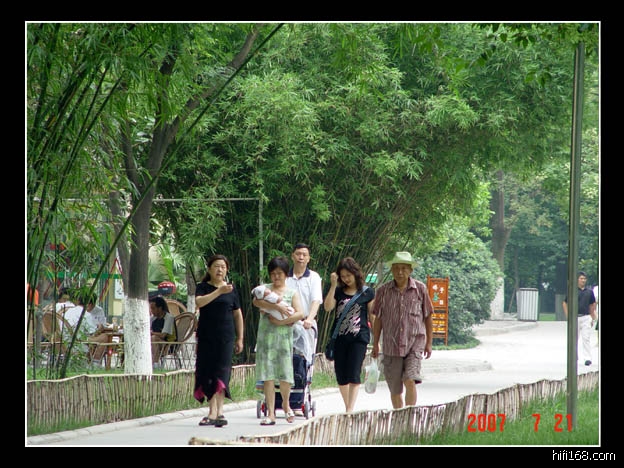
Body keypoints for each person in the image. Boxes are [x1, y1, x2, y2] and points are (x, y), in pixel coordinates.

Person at [371, 251, 433, 409]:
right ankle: (400, 416)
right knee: (395, 388)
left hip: (414, 343)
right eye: (396, 268)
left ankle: (409, 415)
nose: (400, 272)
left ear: (410, 270)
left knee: (410, 379)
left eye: (404, 268)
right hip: (391, 345)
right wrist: (375, 343)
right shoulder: (383, 291)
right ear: (391, 270)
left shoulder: (420, 289)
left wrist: (429, 343)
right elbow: (378, 319)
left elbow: (428, 316)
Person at [194, 254, 244, 428]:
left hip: (226, 338)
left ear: (227, 270)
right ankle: (212, 411)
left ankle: (220, 412)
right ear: (209, 269)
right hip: (207, 337)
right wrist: (218, 292)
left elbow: (238, 315)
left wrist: (240, 338)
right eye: (216, 266)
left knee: (222, 373)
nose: (220, 270)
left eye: (223, 267)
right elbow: (200, 303)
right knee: (208, 372)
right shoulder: (203, 287)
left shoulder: (231, 289)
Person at [254, 256, 305, 425]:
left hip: (283, 338)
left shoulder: (291, 293)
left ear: (286, 274)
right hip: (266, 338)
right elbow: (255, 301)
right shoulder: (265, 289)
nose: (276, 277)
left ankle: (285, 403)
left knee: (285, 374)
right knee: (268, 375)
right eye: (273, 273)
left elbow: (300, 313)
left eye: (280, 273)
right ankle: (271, 413)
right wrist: (276, 306)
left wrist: (282, 321)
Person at [323, 257, 375, 413]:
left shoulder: (367, 292)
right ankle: (348, 406)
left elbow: (372, 316)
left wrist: (377, 339)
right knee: (341, 375)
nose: (346, 279)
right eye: (343, 276)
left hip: (359, 338)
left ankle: (349, 409)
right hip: (339, 338)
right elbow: (327, 307)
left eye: (348, 275)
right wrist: (333, 285)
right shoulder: (338, 292)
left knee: (354, 373)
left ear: (355, 273)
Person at [286, 242, 323, 360]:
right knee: (285, 359)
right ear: (292, 256)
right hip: (287, 324)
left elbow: (316, 300)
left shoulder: (314, 277)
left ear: (308, 258)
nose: (301, 257)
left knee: (305, 360)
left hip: (306, 324)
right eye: (298, 254)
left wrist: (310, 319)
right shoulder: (284, 277)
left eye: (304, 255)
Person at [562, 271, 597, 366]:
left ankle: (587, 358)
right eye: (581, 278)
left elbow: (592, 304)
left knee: (586, 338)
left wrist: (592, 317)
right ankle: (574, 357)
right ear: (577, 279)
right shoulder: (572, 291)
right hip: (575, 317)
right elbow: (565, 303)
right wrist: (568, 316)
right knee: (574, 338)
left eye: (584, 279)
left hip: (586, 317)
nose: (583, 280)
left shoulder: (589, 292)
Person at [149, 295, 177, 364]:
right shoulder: (153, 318)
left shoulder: (169, 318)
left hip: (169, 344)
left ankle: (155, 364)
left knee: (154, 338)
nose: (151, 311)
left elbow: (163, 335)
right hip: (156, 342)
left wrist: (151, 333)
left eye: (153, 308)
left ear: (160, 308)